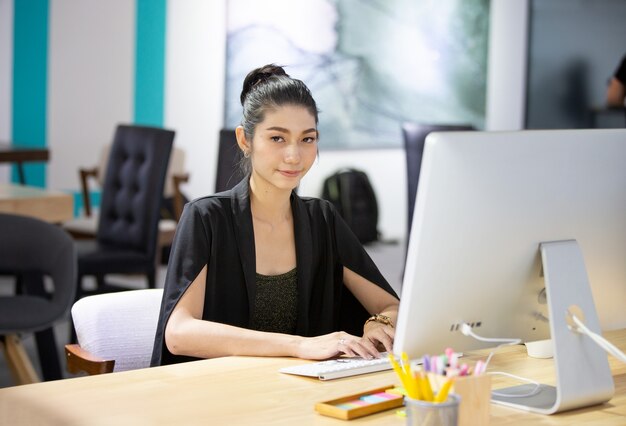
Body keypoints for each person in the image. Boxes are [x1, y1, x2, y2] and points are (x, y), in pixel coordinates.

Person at [151, 64, 400, 366]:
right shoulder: (206, 218)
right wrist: (299, 346)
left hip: (301, 396)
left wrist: (379, 322)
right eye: (277, 138)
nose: (294, 155)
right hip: (220, 394)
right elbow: (179, 333)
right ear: (245, 140)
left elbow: (390, 305)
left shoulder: (322, 219)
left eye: (307, 139)